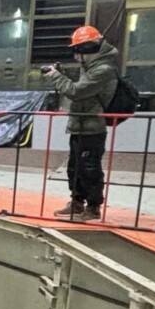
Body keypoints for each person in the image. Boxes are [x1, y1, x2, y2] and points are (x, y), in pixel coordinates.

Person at [42, 26, 120, 221]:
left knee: (90, 168)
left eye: (77, 50)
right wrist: (63, 74)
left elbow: (76, 91)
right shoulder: (92, 67)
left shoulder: (103, 70)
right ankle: (77, 202)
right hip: (80, 124)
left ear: (87, 49)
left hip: (92, 127)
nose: (76, 55)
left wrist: (56, 76)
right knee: (75, 168)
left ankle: (93, 207)